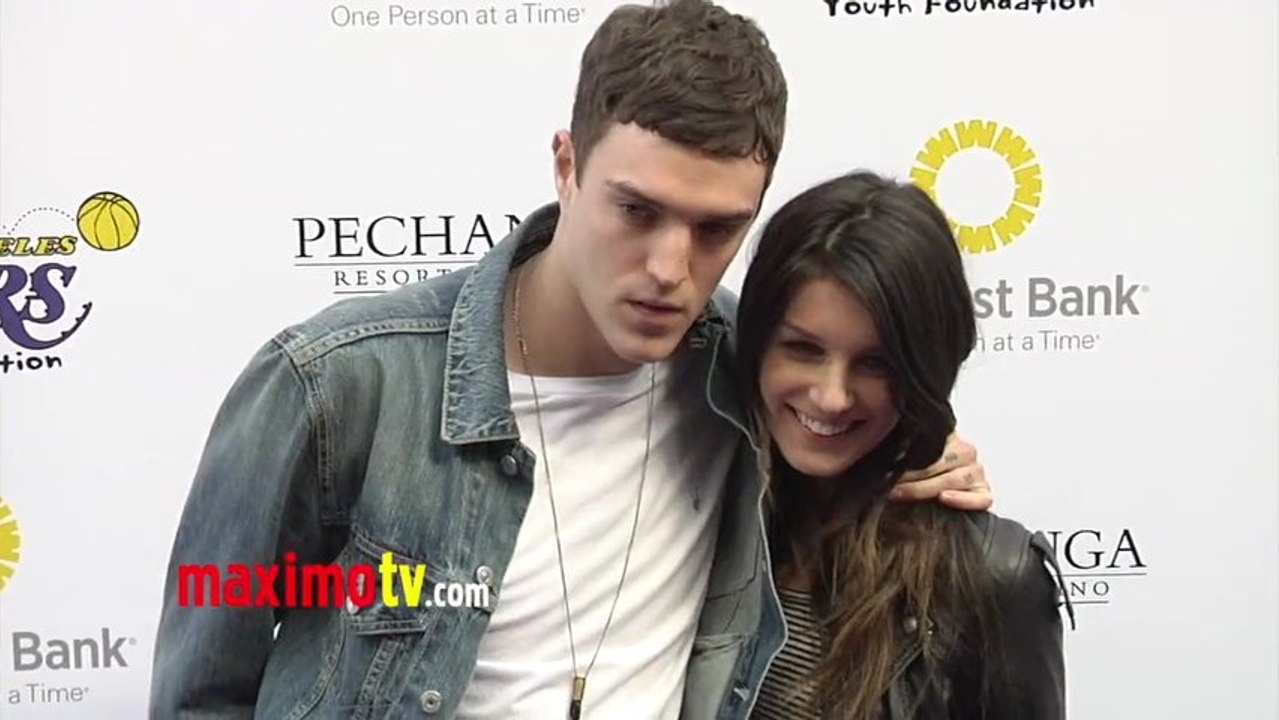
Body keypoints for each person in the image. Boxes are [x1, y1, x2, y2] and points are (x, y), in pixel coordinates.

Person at [148, 3, 994, 718]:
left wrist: (912, 458)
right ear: (567, 164)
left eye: (715, 230)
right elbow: (201, 691)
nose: (670, 268)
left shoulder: (742, 371)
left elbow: (840, 418)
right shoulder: (338, 384)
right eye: (637, 210)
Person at [734, 170, 1073, 720]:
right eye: (802, 348)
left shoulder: (992, 577)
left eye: (876, 362)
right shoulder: (699, 519)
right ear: (755, 343)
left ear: (922, 368)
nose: (832, 396)